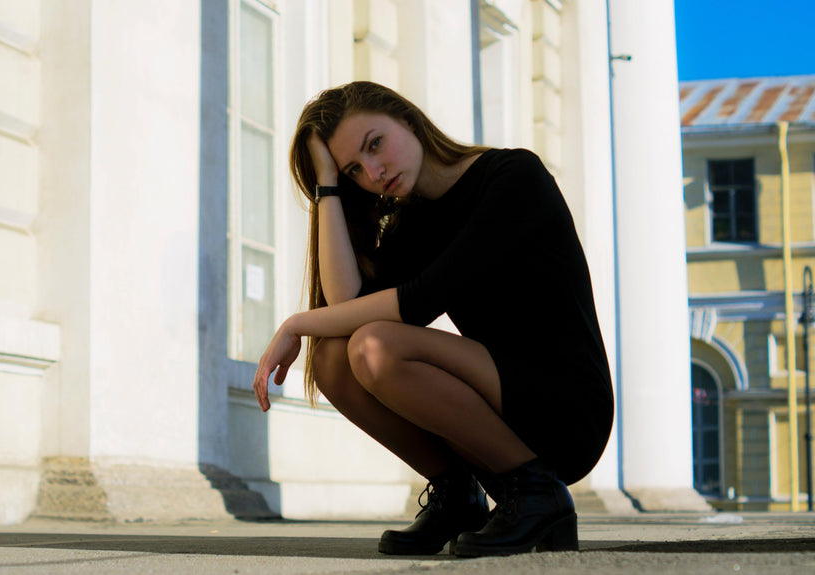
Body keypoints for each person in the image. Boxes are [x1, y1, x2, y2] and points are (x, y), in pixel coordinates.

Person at [252, 81, 613, 558]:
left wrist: (296, 324)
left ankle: (538, 494)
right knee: (334, 359)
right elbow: (346, 306)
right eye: (354, 169)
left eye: (375, 144)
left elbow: (420, 301)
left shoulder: (513, 176)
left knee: (375, 348)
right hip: (497, 408)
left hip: (567, 407)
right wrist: (327, 184)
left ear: (407, 118)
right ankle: (456, 495)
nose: (373, 172)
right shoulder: (415, 222)